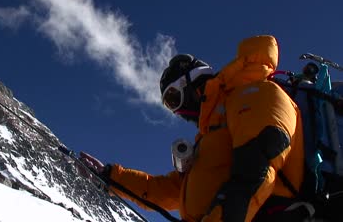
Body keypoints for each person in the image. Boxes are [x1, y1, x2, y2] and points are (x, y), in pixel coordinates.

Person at [80, 35, 308, 222]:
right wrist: (111, 177)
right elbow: (167, 191)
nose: (177, 111)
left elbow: (254, 176)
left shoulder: (254, 93)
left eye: (174, 98)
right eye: (170, 105)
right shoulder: (210, 137)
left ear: (193, 82)